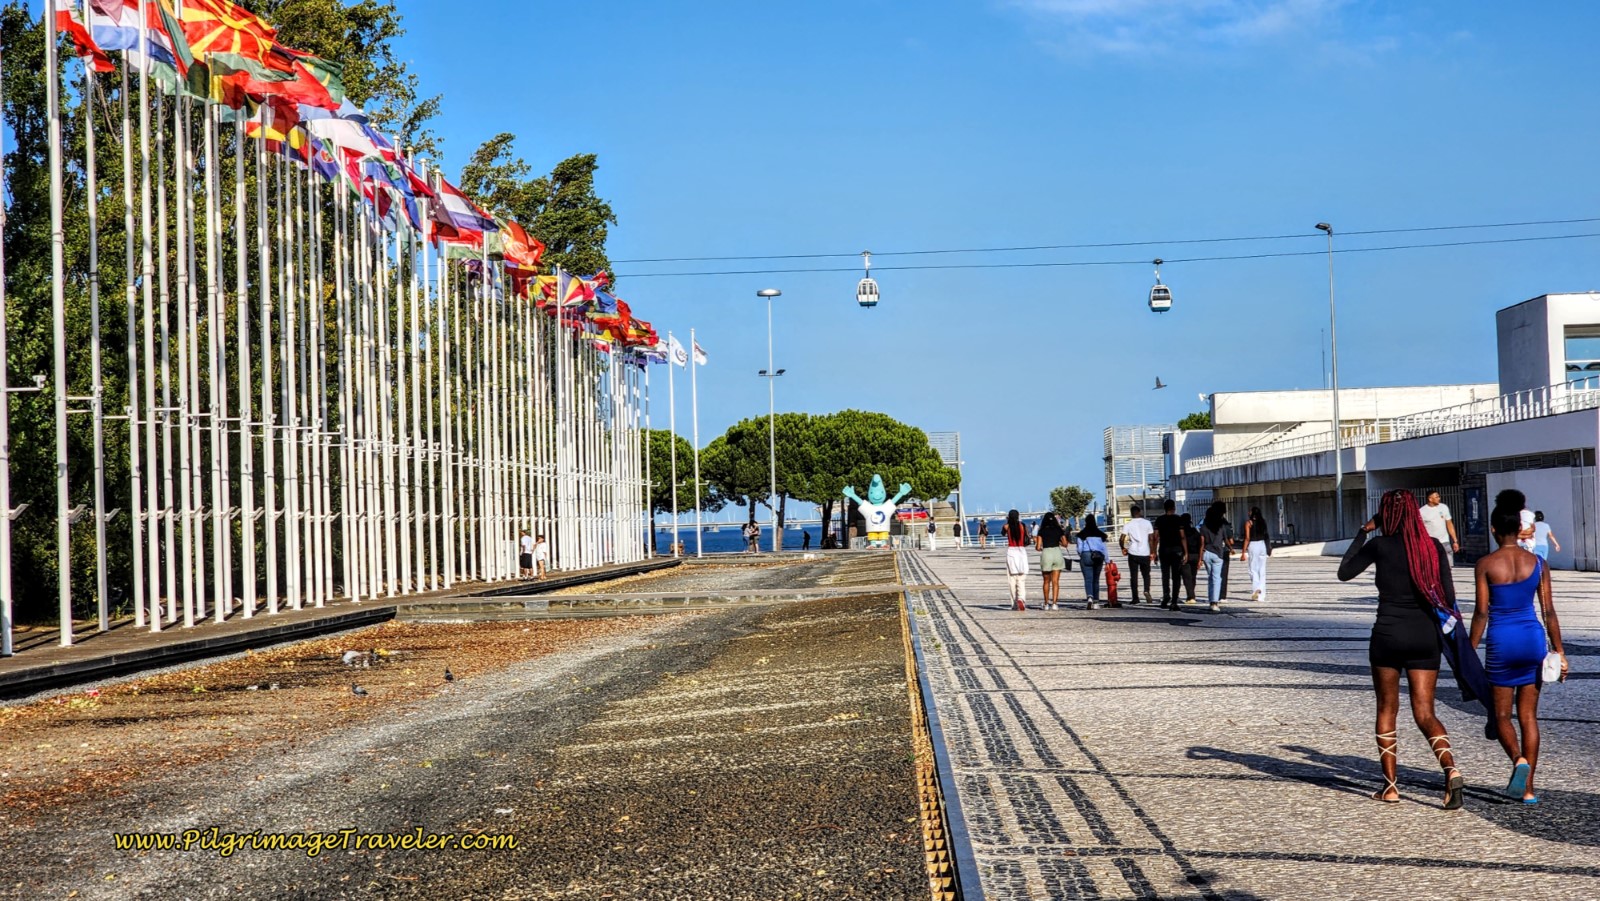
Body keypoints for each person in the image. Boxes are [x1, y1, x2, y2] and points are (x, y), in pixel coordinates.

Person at [1338, 490, 1468, 809]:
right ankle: (1450, 770)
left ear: (1385, 515)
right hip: (1424, 638)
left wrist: (1364, 531)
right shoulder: (1433, 547)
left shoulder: (1379, 546)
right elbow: (1449, 599)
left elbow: (1344, 572)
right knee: (1425, 712)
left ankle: (1391, 787)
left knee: (1387, 709)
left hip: (1388, 636)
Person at [1470, 503, 1568, 804]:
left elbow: (1481, 613)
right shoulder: (1538, 564)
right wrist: (1560, 651)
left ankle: (1517, 760)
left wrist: (1469, 649)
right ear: (1520, 529)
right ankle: (1528, 789)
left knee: (1501, 714)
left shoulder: (1486, 564)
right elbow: (1548, 611)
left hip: (1502, 641)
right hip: (1532, 639)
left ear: (1494, 530)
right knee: (1528, 716)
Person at [1151, 500, 1187, 609]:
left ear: (1164, 508)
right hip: (1176, 550)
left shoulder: (1159, 520)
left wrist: (1154, 551)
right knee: (1176, 576)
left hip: (1164, 550)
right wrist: (1186, 552)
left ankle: (1166, 595)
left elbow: (1156, 537)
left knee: (1165, 575)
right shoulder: (1178, 519)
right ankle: (1174, 601)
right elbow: (1182, 536)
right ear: (1174, 507)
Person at [1199, 503, 1234, 612]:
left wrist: (1200, 558)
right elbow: (1226, 540)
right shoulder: (1221, 526)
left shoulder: (1204, 527)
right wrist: (1231, 549)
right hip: (1218, 553)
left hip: (1207, 553)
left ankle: (1211, 600)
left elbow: (1202, 543)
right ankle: (1215, 601)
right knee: (1217, 578)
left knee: (1210, 577)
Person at [1118, 505, 1154, 604]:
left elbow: (1121, 539)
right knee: (1146, 574)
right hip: (1145, 552)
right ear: (1140, 512)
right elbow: (1151, 539)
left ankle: (1135, 598)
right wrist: (1152, 551)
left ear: (1131, 513)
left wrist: (1123, 548)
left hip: (1133, 553)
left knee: (1133, 576)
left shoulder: (1128, 524)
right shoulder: (1147, 523)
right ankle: (1146, 590)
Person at [1419, 491, 1461, 567]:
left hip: (1445, 541)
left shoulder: (1443, 507)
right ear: (1430, 499)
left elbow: (1449, 524)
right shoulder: (1422, 511)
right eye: (1436, 497)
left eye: (1439, 496)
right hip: (1431, 542)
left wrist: (1455, 541)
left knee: (1448, 565)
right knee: (1434, 565)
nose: (1439, 498)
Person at [1035, 512, 1067, 610]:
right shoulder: (1059, 530)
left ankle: (1046, 604)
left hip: (1047, 553)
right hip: (1057, 553)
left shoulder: (1042, 531)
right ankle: (1054, 604)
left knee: (1046, 581)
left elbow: (1038, 547)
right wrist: (1059, 542)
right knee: (1055, 581)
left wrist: (1041, 548)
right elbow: (1065, 544)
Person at [1076, 515, 1110, 609]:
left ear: (1086, 522)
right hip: (1098, 556)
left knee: (1088, 579)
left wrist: (1081, 555)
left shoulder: (1082, 534)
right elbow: (1104, 549)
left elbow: (1079, 548)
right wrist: (1107, 561)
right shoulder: (1100, 534)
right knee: (1096, 579)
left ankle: (1089, 597)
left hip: (1086, 555)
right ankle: (1096, 602)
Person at [1241, 506, 1271, 601]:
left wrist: (1243, 552)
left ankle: (1256, 589)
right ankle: (1262, 594)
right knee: (1262, 570)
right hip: (1262, 545)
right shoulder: (1263, 522)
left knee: (1253, 569)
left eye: (1249, 511)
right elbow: (1266, 535)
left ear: (1252, 513)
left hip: (1253, 545)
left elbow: (1247, 538)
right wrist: (1268, 547)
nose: (1248, 512)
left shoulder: (1248, 523)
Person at [1003, 509, 1030, 611]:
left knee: (1012, 580)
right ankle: (1021, 599)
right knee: (1021, 578)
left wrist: (1007, 522)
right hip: (1021, 552)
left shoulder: (1006, 526)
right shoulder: (1022, 525)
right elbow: (1027, 538)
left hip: (1011, 552)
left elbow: (1003, 533)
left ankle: (1014, 603)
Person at [1181, 513, 1202, 605]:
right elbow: (1201, 544)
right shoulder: (1195, 531)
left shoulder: (1181, 532)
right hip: (1195, 555)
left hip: (1185, 555)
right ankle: (1191, 594)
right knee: (1193, 576)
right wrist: (1200, 558)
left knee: (1187, 577)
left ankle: (1191, 596)